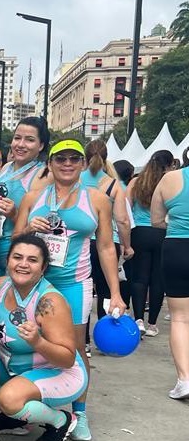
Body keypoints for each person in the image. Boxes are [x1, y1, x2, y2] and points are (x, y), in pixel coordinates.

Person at [13, 139, 125, 441]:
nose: (67, 163)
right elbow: (15, 240)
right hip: (35, 284)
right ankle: (28, 406)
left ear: (83, 163)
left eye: (74, 158)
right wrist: (29, 229)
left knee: (74, 348)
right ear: (50, 162)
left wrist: (115, 292)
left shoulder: (97, 198)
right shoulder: (33, 197)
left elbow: (105, 247)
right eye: (60, 158)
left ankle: (80, 411)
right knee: (26, 341)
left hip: (75, 282)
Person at [0, 234, 87, 441]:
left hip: (59, 372)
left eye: (32, 260)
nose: (23, 264)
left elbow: (68, 358)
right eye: (17, 257)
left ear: (43, 267)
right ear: (7, 260)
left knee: (8, 398)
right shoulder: (0, 285)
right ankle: (15, 418)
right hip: (15, 367)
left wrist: (38, 342)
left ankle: (61, 420)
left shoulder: (50, 302)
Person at [81, 140, 133, 327]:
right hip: (107, 242)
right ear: (106, 158)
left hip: (81, 242)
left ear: (85, 158)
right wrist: (127, 246)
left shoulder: (75, 180)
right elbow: (122, 220)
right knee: (106, 291)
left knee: (82, 291)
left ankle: (83, 340)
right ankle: (105, 334)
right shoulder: (113, 185)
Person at [0, 116, 49, 277]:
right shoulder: (6, 168)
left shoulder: (42, 174)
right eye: (17, 138)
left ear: (41, 145)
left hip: (17, 251)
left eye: (29, 140)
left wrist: (15, 213)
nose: (21, 144)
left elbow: (38, 224)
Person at [151, 162, 189, 399]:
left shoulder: (170, 179)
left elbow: (156, 220)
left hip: (177, 248)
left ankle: (185, 380)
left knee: (180, 318)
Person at [127, 150, 173, 336]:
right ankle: (153, 323)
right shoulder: (169, 183)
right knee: (157, 279)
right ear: (169, 165)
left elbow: (126, 208)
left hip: (139, 232)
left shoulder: (136, 182)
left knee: (139, 278)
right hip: (163, 231)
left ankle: (138, 319)